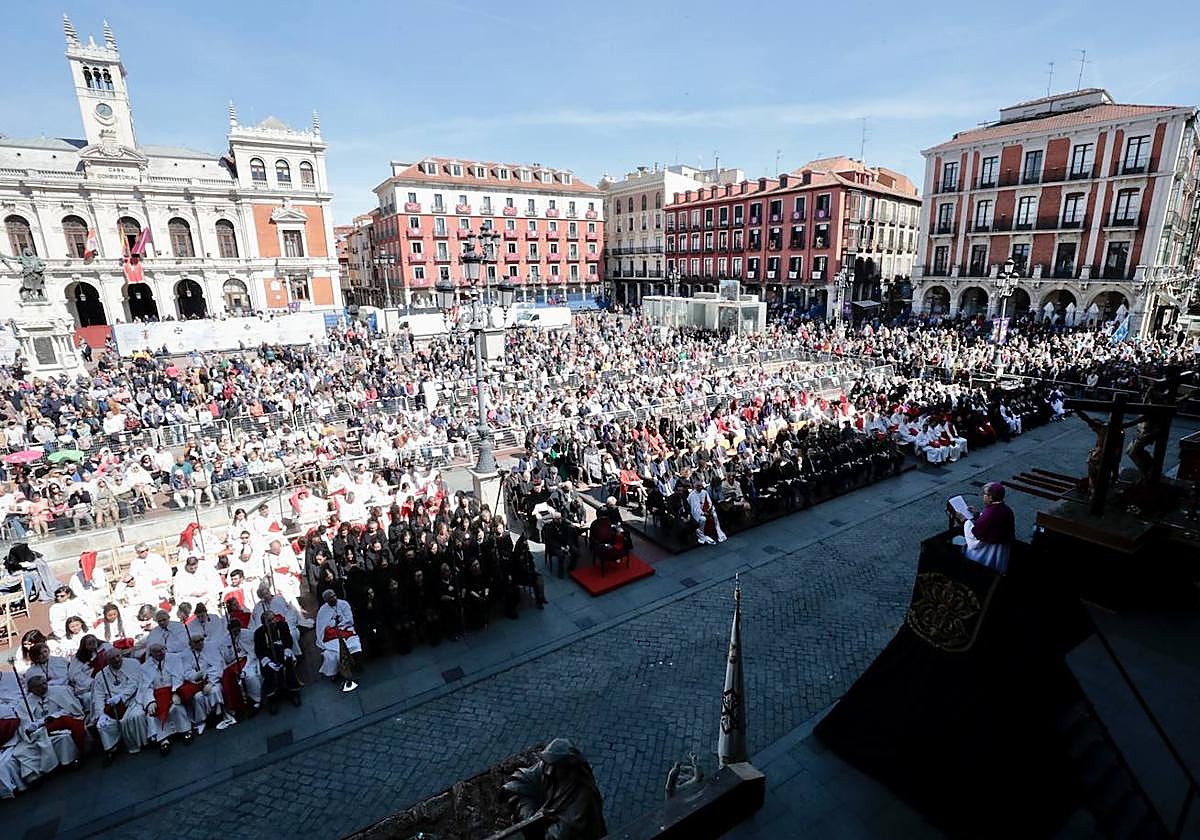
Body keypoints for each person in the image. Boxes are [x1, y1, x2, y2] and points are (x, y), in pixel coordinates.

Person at [91, 652, 149, 765]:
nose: (116, 660)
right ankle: (111, 749)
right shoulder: (101, 675)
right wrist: (101, 714)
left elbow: (135, 683)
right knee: (102, 725)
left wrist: (121, 696)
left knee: (135, 716)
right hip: (112, 706)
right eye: (113, 658)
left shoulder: (132, 664)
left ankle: (140, 743)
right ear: (107, 661)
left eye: (118, 656)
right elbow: (98, 696)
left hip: (132, 700)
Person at [20, 675, 86, 769]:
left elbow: (70, 710)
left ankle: (70, 761)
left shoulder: (60, 691)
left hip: (61, 723)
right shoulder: (25, 703)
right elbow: (26, 722)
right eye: (38, 686)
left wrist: (53, 717)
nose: (43, 687)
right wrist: (35, 725)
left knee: (64, 737)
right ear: (32, 689)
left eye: (44, 683)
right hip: (42, 730)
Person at [958, 482, 1015, 573]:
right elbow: (991, 522)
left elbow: (975, 535)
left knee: (984, 573)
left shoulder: (989, 514)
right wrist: (977, 515)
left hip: (988, 552)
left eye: (984, 494)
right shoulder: (1007, 510)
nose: (983, 496)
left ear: (990, 497)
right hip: (1001, 551)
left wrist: (965, 521)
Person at [253, 609, 301, 713]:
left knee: (288, 663)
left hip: (283, 653)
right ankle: (273, 698)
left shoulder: (283, 625)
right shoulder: (258, 633)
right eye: (269, 621)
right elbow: (259, 651)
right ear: (264, 623)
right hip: (269, 657)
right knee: (269, 671)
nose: (273, 622)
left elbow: (288, 640)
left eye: (273, 619)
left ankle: (293, 692)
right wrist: (269, 662)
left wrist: (287, 650)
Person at [315, 589, 361, 692]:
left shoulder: (343, 604)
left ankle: (356, 664)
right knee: (331, 654)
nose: (333, 598)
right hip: (332, 635)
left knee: (354, 644)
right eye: (330, 598)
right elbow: (322, 627)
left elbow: (349, 619)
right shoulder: (322, 610)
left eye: (334, 596)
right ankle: (334, 673)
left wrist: (339, 623)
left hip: (345, 630)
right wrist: (331, 624)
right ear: (326, 600)